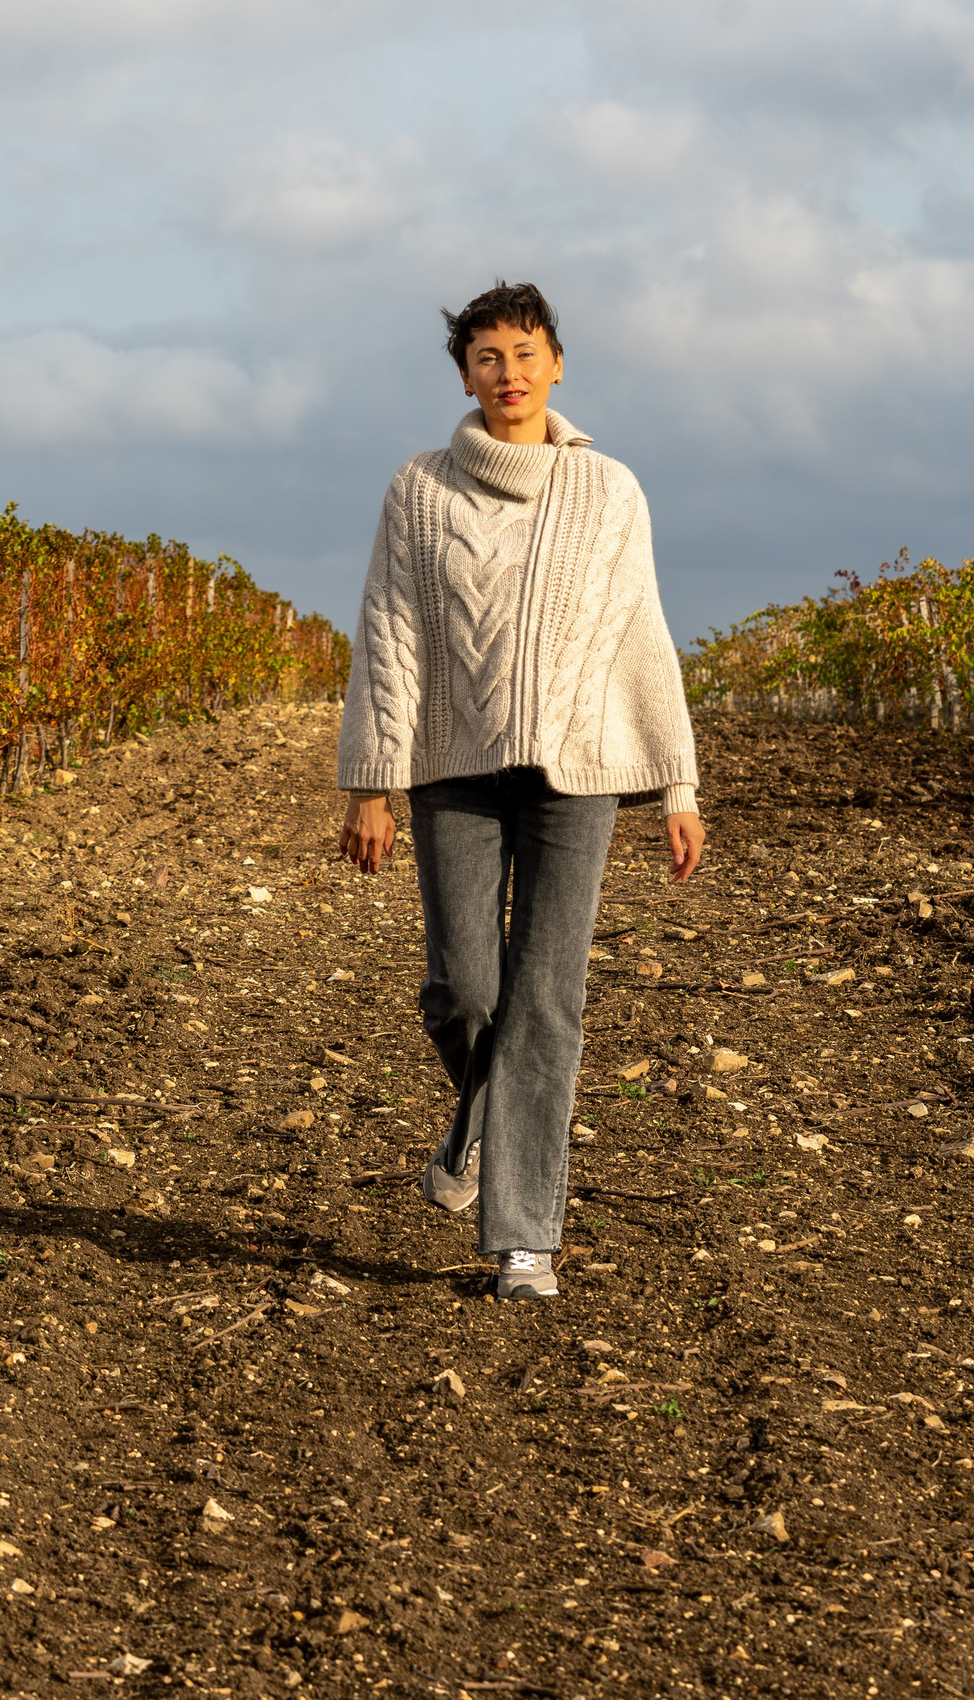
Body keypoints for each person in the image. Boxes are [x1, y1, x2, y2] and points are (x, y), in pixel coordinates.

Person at [335, 280, 706, 1302]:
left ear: (556, 364)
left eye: (526, 353)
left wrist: (677, 780)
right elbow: (390, 633)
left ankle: (523, 1242)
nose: (508, 374)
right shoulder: (419, 487)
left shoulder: (608, 491)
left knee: (546, 1001)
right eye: (487, 357)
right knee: (463, 992)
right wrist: (370, 778)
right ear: (463, 372)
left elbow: (639, 632)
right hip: (449, 765)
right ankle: (478, 1127)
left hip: (575, 774)